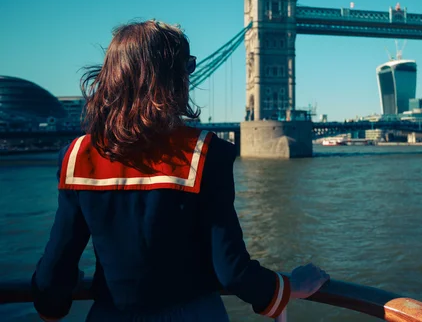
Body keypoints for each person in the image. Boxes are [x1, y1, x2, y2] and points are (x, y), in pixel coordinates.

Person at [31, 20, 329, 321]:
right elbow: (232, 271)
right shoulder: (204, 154)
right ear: (173, 79)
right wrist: (289, 287)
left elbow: (52, 278)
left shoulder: (77, 156)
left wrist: (52, 304)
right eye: (188, 66)